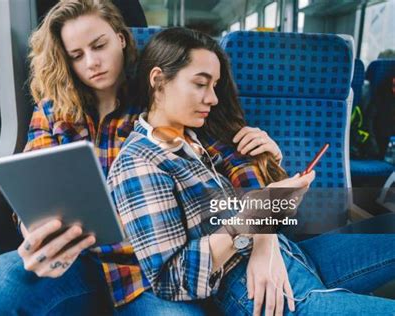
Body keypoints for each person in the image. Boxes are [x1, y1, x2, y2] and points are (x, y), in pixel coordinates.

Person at [0, 1, 284, 315]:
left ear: (120, 37)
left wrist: (263, 240)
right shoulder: (51, 111)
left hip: (148, 269)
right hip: (77, 259)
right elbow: (31, 190)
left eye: (99, 45)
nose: (92, 62)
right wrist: (36, 232)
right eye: (77, 55)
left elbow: (237, 165)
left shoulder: (161, 95)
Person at [106, 27, 395, 316]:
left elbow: (261, 211)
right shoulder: (139, 163)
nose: (213, 99)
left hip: (291, 254)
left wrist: (277, 184)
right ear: (158, 80)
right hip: (256, 289)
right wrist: (247, 223)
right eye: (200, 84)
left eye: (215, 86)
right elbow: (171, 280)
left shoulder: (200, 139)